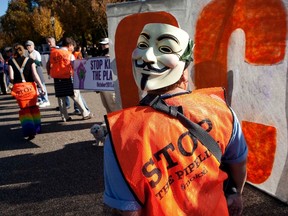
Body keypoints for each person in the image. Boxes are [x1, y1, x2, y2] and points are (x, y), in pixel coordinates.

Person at [103, 23, 248, 216]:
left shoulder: (122, 134)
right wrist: (235, 193)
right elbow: (238, 164)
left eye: (165, 48)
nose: (147, 57)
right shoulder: (219, 108)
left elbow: (125, 211)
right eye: (143, 45)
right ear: (187, 68)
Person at [47, 37, 92, 122]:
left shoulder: (53, 53)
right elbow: (75, 67)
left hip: (57, 78)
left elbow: (48, 64)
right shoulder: (69, 54)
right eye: (72, 46)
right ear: (69, 45)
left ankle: (64, 117)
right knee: (76, 95)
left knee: (61, 98)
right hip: (67, 77)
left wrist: (49, 73)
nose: (73, 48)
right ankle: (85, 113)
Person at [8, 44, 45, 140]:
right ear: (23, 51)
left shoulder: (11, 62)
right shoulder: (30, 60)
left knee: (25, 110)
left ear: (14, 52)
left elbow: (11, 77)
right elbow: (35, 75)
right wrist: (41, 86)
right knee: (33, 108)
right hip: (30, 88)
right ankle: (37, 128)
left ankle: (30, 131)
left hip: (20, 89)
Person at [25, 40, 50, 108]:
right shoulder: (26, 53)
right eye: (27, 46)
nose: (28, 47)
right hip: (31, 71)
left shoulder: (36, 53)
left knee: (41, 84)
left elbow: (39, 63)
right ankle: (40, 99)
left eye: (30, 45)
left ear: (33, 46)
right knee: (36, 86)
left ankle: (46, 100)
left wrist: (32, 59)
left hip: (37, 70)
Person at [96, 38, 116, 113]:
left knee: (112, 104)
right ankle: (110, 121)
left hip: (110, 84)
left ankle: (116, 121)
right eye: (102, 44)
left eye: (105, 44)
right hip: (102, 84)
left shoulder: (112, 54)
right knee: (106, 105)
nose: (103, 46)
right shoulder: (101, 54)